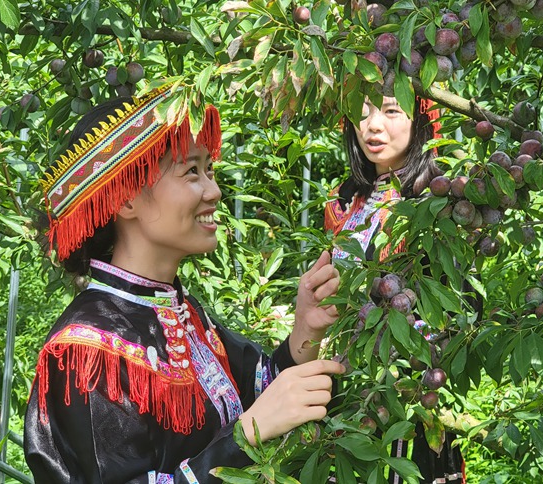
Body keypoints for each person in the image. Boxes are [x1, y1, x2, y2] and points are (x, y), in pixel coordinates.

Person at [25, 84, 345, 483]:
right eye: (191, 171)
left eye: (209, 170)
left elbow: (267, 393)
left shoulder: (185, 314)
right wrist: (246, 438)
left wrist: (305, 330)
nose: (214, 190)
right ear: (126, 200)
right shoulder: (86, 352)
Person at [324, 96, 466, 483]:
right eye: (363, 110)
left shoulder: (439, 201)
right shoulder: (345, 202)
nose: (372, 125)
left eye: (389, 110)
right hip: (345, 380)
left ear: (421, 116)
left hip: (409, 383)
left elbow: (459, 303)